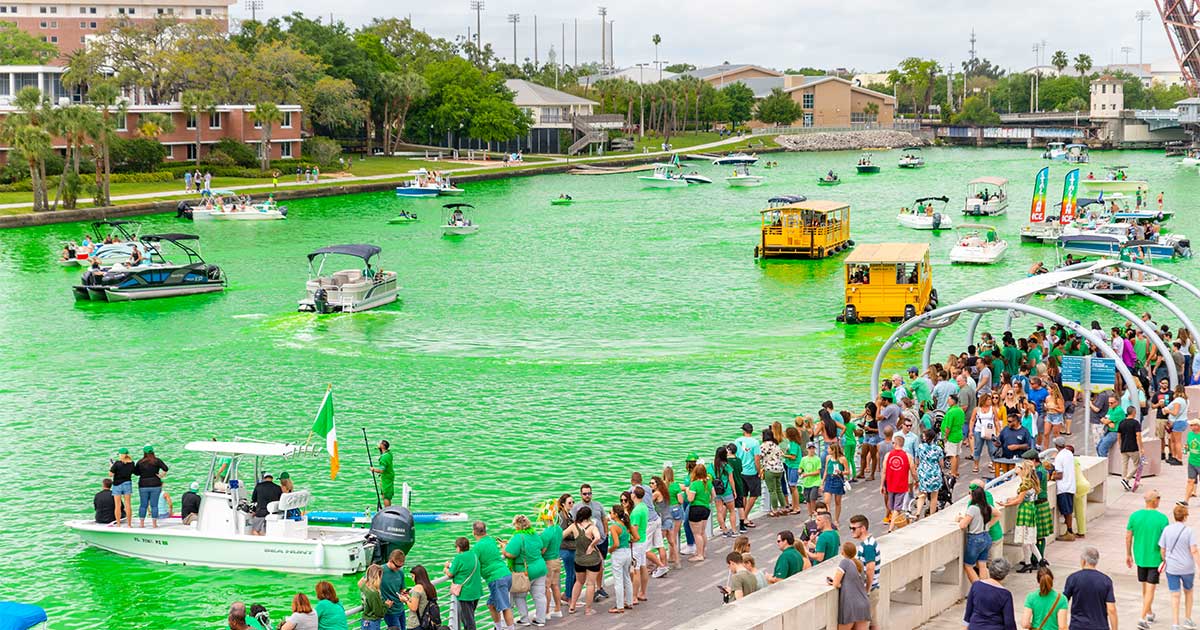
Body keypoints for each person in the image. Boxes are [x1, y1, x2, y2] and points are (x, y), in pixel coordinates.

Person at [1129, 490, 1170, 628]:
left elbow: (1128, 536)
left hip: (1140, 556)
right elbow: (1165, 542)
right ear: (1154, 501)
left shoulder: (1135, 516)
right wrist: (1165, 558)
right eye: (1159, 498)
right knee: (1151, 589)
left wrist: (1128, 554)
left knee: (1145, 587)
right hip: (1154, 558)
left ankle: (1149, 612)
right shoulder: (1163, 519)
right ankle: (1142, 618)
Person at [1001, 460, 1044, 573]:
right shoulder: (1030, 482)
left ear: (1022, 470)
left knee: (1026, 540)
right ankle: (1039, 561)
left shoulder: (1025, 483)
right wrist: (1011, 499)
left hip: (1025, 510)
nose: (1015, 468)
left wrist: (1006, 504)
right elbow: (1020, 497)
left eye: (1017, 467)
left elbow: (1019, 500)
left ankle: (1030, 563)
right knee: (1029, 539)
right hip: (1030, 509)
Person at [503, 514, 548, 624]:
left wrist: (504, 547)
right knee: (540, 596)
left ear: (517, 526)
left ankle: (524, 619)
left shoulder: (518, 537)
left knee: (519, 596)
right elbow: (541, 547)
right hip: (540, 568)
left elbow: (510, 554)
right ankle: (541, 619)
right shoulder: (535, 534)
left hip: (525, 571)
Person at [472, 521, 514, 629]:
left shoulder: (477, 547)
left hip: (496, 579)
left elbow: (472, 563)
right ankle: (498, 627)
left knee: (505, 607)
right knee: (491, 604)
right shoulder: (491, 540)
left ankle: (510, 628)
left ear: (474, 532)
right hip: (506, 575)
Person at [1064, 546, 1117, 630]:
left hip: (1077, 626)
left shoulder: (1073, 578)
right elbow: (1111, 609)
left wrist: (1063, 625)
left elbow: (1063, 602)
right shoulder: (1106, 581)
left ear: (1083, 561)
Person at [564, 507, 601, 615]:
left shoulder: (573, 526)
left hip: (579, 559)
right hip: (592, 560)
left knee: (579, 582)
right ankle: (588, 610)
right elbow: (598, 537)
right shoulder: (592, 527)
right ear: (589, 516)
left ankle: (572, 606)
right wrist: (591, 546)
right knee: (590, 584)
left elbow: (561, 535)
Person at [963, 558, 1017, 630]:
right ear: (1005, 575)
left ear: (990, 570)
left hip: (975, 626)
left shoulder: (976, 585)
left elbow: (968, 612)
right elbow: (1009, 622)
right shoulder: (1005, 594)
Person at [444, 537, 483, 630]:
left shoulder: (459, 557)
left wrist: (445, 568)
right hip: (476, 591)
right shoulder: (473, 555)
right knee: (468, 616)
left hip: (466, 593)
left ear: (458, 547)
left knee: (468, 621)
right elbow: (465, 567)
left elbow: (450, 573)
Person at [849, 515, 880, 629]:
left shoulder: (867, 546)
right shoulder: (870, 542)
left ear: (862, 528)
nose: (852, 531)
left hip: (869, 590)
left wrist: (866, 590)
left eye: (853, 528)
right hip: (873, 589)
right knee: (873, 625)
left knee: (862, 626)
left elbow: (870, 568)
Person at [831, 542, 871, 630]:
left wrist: (838, 583)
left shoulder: (844, 562)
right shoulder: (859, 564)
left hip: (851, 605)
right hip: (863, 604)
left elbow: (835, 583)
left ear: (843, 552)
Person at [961, 484, 996, 583]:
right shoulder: (987, 507)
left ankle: (978, 588)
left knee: (968, 566)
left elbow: (963, 525)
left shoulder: (973, 508)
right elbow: (997, 514)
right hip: (986, 537)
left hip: (975, 539)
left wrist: (960, 519)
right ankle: (985, 586)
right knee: (982, 565)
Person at [881, 434, 914, 531]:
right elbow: (913, 471)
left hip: (890, 485)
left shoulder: (888, 455)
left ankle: (895, 526)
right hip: (901, 485)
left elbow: (883, 471)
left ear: (894, 443)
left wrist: (882, 485)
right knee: (896, 508)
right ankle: (891, 528)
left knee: (893, 507)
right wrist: (917, 480)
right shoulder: (908, 456)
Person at [734, 423, 763, 529]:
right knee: (754, 495)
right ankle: (745, 516)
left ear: (743, 431)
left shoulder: (737, 441)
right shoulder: (755, 442)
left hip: (740, 471)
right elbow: (757, 459)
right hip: (751, 472)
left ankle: (743, 517)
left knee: (744, 495)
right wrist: (759, 471)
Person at [1022, 566, 1069, 630]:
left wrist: (1033, 626)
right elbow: (1062, 626)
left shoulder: (1031, 597)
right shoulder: (1061, 599)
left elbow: (1025, 624)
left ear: (1038, 581)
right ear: (1051, 579)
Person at [540, 500, 565, 618]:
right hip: (557, 559)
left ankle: (546, 612)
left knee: (546, 587)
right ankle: (558, 609)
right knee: (555, 585)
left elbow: (543, 550)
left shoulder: (546, 532)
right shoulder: (558, 529)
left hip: (548, 561)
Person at [134, 445, 168, 528]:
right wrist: (161, 476)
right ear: (153, 452)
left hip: (143, 485)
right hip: (155, 484)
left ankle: (142, 524)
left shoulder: (140, 462)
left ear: (144, 453)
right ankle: (154, 524)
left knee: (143, 505)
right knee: (154, 505)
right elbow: (166, 468)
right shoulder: (157, 461)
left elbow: (136, 473)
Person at [914, 429, 945, 520]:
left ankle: (918, 512)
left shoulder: (920, 447)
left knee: (922, 493)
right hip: (934, 472)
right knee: (934, 496)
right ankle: (931, 515)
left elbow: (917, 461)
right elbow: (941, 463)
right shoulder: (938, 449)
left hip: (923, 472)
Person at [686, 461, 713, 562]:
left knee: (696, 533)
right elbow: (712, 497)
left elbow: (690, 499)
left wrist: (687, 491)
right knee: (702, 532)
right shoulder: (708, 483)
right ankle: (702, 551)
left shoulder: (694, 484)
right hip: (706, 509)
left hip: (696, 509)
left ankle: (699, 554)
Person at [1119, 405, 1145, 492]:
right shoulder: (1135, 423)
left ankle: (1124, 481)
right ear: (1134, 413)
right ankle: (1126, 479)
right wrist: (1141, 447)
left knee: (1124, 465)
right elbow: (1138, 436)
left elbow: (1118, 436)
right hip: (1133, 447)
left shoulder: (1121, 422)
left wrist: (1120, 445)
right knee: (1137, 465)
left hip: (1124, 447)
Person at [761, 429, 787, 517]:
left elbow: (759, 456)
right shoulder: (776, 445)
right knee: (779, 489)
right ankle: (783, 508)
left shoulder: (764, 445)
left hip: (770, 469)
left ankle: (775, 510)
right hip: (779, 469)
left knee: (772, 491)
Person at [401, 566, 436, 630]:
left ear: (417, 577)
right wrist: (410, 599)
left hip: (416, 623)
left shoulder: (417, 588)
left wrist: (405, 600)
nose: (412, 579)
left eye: (413, 577)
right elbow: (422, 602)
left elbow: (414, 608)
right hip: (428, 621)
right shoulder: (430, 587)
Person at [380, 550, 407, 630]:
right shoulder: (380, 571)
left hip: (400, 608)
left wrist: (404, 593)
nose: (398, 568)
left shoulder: (400, 572)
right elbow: (363, 583)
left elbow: (402, 588)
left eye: (401, 566)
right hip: (390, 611)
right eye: (397, 566)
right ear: (390, 561)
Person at [108, 447, 135, 527]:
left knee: (118, 505)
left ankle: (118, 524)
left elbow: (110, 474)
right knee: (128, 505)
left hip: (117, 485)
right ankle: (129, 524)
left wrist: (111, 466)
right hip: (127, 484)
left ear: (121, 455)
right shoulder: (132, 463)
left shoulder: (117, 463)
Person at [359, 564, 390, 630]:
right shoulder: (374, 593)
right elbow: (379, 613)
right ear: (377, 576)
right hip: (372, 623)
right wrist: (387, 605)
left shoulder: (363, 585)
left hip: (364, 621)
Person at [943, 394, 966, 478]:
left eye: (949, 399)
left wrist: (945, 437)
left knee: (952, 455)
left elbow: (948, 427)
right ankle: (955, 471)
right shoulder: (960, 410)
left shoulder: (951, 412)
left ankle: (953, 472)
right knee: (956, 454)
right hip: (959, 434)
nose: (947, 401)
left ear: (953, 400)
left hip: (952, 436)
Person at [799, 442, 823, 517]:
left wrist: (807, 474)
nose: (811, 450)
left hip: (815, 482)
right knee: (808, 500)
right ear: (807, 449)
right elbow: (801, 467)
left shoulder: (817, 459)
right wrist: (800, 471)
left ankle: (814, 514)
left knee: (813, 498)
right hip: (806, 482)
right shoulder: (804, 459)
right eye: (810, 448)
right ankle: (810, 515)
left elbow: (818, 472)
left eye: (813, 448)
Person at [369, 440, 395, 507]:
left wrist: (373, 469)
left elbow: (381, 470)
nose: (378, 445)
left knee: (385, 496)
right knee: (385, 494)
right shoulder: (389, 453)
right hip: (388, 476)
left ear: (383, 446)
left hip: (386, 478)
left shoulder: (384, 458)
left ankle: (387, 510)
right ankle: (388, 510)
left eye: (379, 444)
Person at [1186, 420, 1200, 505]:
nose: (1191, 427)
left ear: (1197, 426)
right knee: (1190, 481)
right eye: (1190, 425)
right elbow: (1188, 445)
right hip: (1191, 462)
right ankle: (1185, 501)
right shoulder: (1190, 434)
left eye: (1192, 425)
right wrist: (1186, 448)